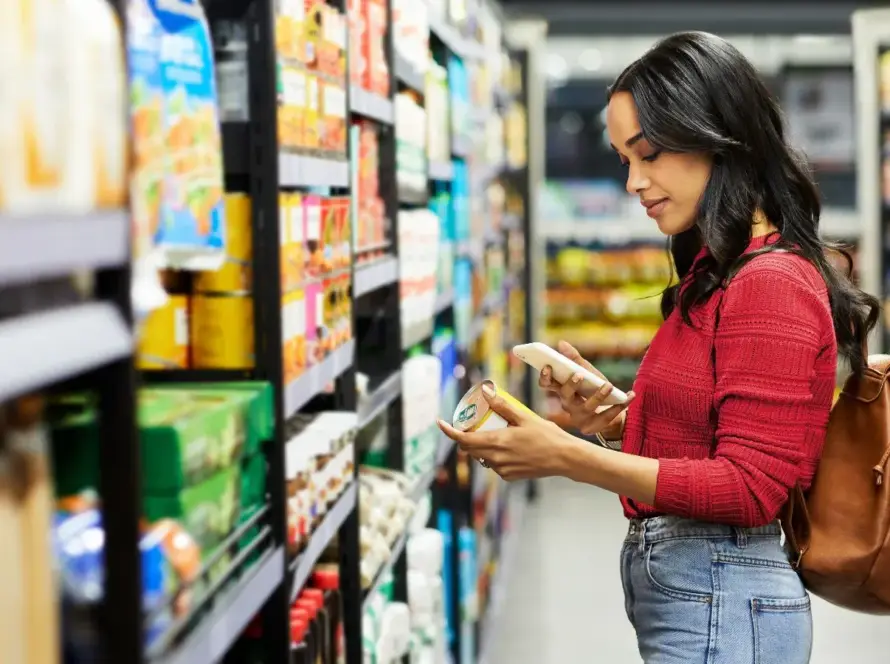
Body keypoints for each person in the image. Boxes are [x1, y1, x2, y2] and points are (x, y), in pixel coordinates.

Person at [438, 31, 880, 664]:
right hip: (708, 597)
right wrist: (618, 417)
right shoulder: (720, 271)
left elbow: (749, 488)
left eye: (648, 155)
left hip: (727, 599)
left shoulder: (771, 283)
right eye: (624, 159)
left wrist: (565, 456)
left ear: (718, 136)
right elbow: (715, 437)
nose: (634, 183)